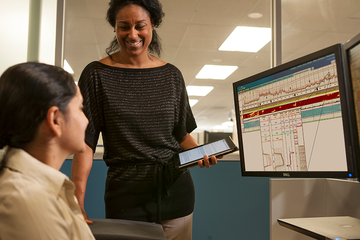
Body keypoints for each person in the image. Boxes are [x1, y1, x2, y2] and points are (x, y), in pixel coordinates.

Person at [71, 0, 218, 239]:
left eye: (140, 26)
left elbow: (181, 135)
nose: (132, 34)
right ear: (115, 28)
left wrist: (202, 153)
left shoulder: (172, 75)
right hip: (125, 196)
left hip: (175, 191)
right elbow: (85, 144)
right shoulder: (96, 74)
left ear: (152, 26)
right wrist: (76, 198)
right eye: (124, 27)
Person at [0, 62, 95, 240]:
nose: (86, 121)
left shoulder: (50, 188)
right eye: (81, 109)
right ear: (55, 120)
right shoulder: (26, 200)